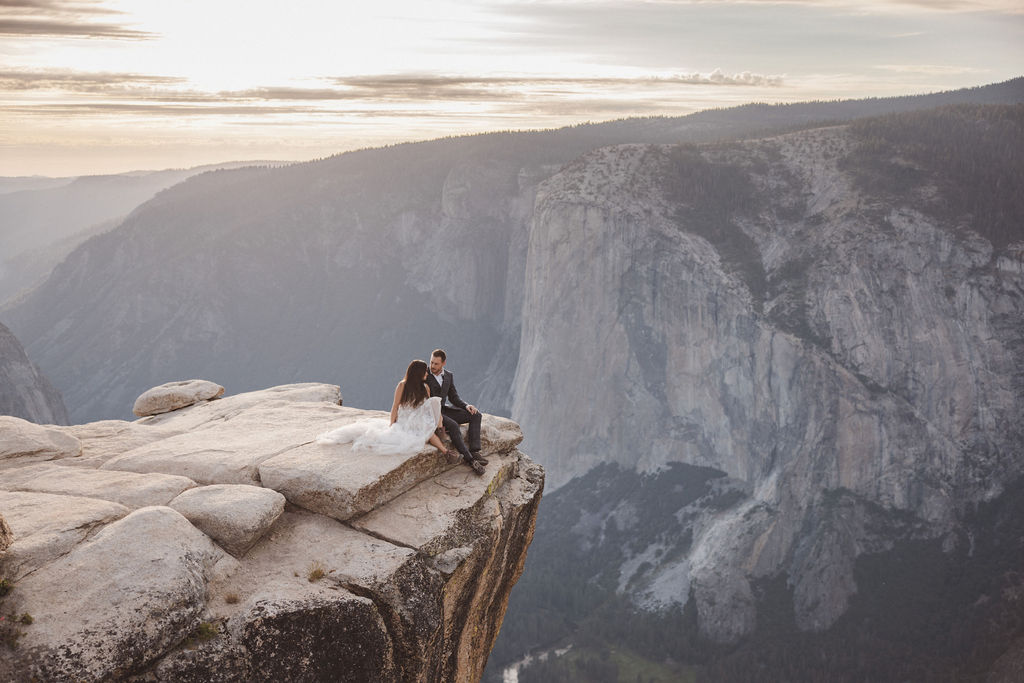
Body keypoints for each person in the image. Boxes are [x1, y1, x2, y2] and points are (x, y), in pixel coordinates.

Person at [317, 359, 456, 460]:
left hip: (416, 416)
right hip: (405, 417)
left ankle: (442, 439)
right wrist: (392, 423)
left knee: (434, 407)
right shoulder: (403, 385)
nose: (427, 373)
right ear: (418, 373)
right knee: (425, 433)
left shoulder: (424, 387)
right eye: (425, 371)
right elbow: (395, 405)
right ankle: (446, 452)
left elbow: (425, 406)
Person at [426, 348, 486, 475]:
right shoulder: (424, 374)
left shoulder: (448, 376)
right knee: (453, 425)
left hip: (445, 409)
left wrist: (466, 406)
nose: (432, 366)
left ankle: (475, 451)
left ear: (443, 363)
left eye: (436, 363)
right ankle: (470, 460)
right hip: (432, 412)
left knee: (476, 415)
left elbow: (453, 397)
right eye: (431, 362)